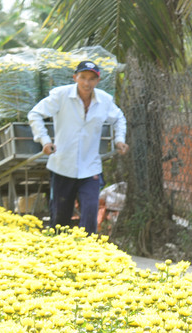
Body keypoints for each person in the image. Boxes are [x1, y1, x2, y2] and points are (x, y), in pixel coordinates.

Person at [28, 60, 129, 234]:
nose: (86, 83)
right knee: (60, 219)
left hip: (90, 168)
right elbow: (35, 114)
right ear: (75, 78)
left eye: (91, 79)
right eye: (83, 77)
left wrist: (119, 140)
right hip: (62, 166)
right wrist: (45, 140)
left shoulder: (104, 100)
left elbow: (119, 118)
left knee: (90, 212)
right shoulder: (61, 95)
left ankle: (87, 251)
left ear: (97, 81)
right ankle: (60, 254)